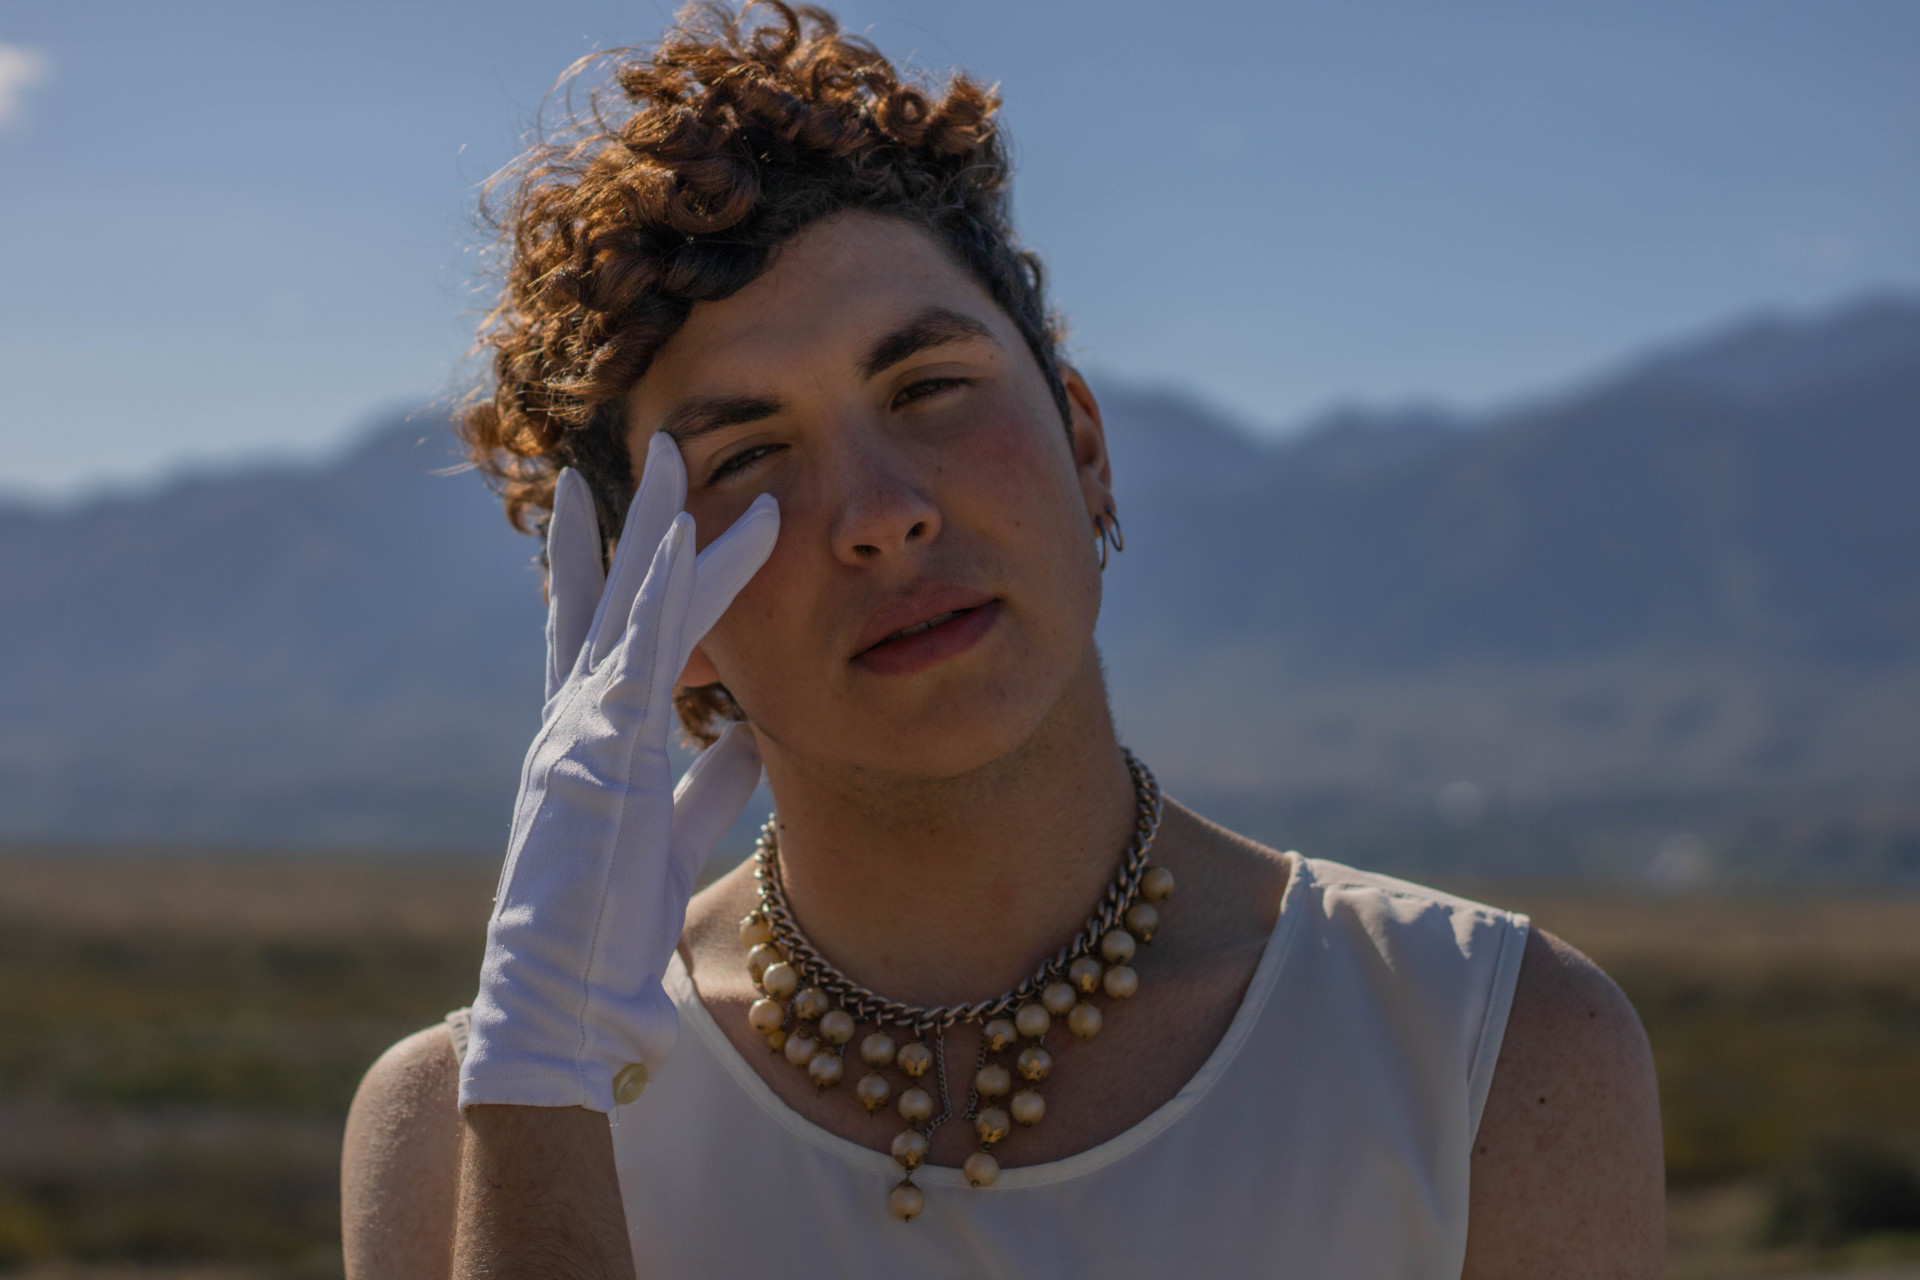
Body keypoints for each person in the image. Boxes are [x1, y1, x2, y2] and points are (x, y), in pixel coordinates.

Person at [340, 4, 1665, 1275]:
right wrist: (540, 1091)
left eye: (927, 389)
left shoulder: (1490, 1047)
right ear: (652, 611)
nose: (882, 517)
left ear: (1085, 447)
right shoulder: (476, 1127)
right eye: (750, 457)